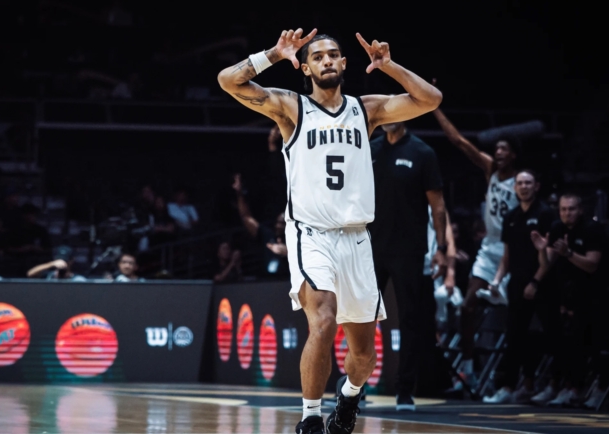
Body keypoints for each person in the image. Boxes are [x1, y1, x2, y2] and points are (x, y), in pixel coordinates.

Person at [218, 28, 441, 434]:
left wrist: (389, 66)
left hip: (357, 238)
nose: (327, 61)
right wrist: (272, 53)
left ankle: (350, 396)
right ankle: (310, 418)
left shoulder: (366, 109)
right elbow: (228, 80)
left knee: (364, 355)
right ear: (305, 67)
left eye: (334, 55)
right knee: (321, 320)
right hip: (311, 233)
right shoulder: (291, 107)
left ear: (344, 64)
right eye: (318, 56)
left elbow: (431, 99)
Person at [432, 99, 520, 386]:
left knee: (513, 315)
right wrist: (434, 107)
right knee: (468, 307)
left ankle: (509, 377)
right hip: (490, 248)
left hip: (514, 251)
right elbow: (458, 141)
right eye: (497, 149)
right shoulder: (491, 171)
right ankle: (468, 368)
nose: (498, 152)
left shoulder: (523, 181)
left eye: (504, 149)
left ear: (515, 155)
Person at [368, 118, 449, 408]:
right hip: (369, 247)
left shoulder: (422, 152)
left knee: (410, 319)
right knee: (362, 318)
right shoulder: (370, 147)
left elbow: (438, 207)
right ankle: (357, 387)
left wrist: (441, 248)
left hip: (409, 250)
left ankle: (405, 390)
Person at [482, 169, 558, 404]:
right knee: (515, 336)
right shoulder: (511, 216)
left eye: (528, 182)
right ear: (514, 188)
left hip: (544, 282)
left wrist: (536, 281)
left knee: (552, 335)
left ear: (536, 186)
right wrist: (496, 281)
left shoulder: (546, 214)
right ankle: (511, 386)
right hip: (517, 282)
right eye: (520, 183)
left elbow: (553, 253)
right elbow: (506, 256)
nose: (524, 186)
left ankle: (557, 385)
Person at [531, 193, 604, 406]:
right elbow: (548, 262)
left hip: (593, 294)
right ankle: (567, 387)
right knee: (565, 342)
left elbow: (592, 264)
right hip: (565, 293)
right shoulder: (557, 228)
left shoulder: (592, 229)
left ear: (580, 210)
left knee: (592, 344)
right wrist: (542, 249)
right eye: (563, 209)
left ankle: (598, 388)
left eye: (571, 209)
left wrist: (569, 253)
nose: (566, 213)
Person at [231, 173, 289, 279]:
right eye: (278, 223)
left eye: (283, 224)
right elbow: (246, 218)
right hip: (265, 282)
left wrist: (287, 252)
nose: (280, 226)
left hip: (286, 282)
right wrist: (239, 194)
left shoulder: (295, 239)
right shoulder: (267, 234)